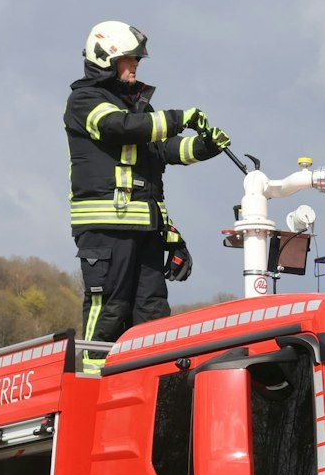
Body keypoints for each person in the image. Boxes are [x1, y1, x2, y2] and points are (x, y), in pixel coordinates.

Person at [63, 21, 232, 344]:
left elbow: (163, 151)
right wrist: (178, 118)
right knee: (110, 311)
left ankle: (149, 376)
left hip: (146, 231)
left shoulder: (139, 110)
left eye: (137, 58)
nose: (136, 64)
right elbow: (118, 126)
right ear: (106, 58)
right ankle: (95, 373)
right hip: (106, 230)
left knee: (153, 316)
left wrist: (205, 145)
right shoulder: (84, 101)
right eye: (130, 58)